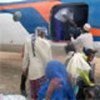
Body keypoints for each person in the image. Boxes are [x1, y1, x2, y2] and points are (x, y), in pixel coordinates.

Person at [20, 27, 52, 99]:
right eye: (44, 34)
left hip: (32, 71)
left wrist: (24, 68)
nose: (45, 36)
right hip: (42, 72)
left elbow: (26, 57)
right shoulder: (46, 43)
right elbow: (49, 59)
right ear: (41, 33)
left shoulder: (28, 41)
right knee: (41, 92)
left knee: (33, 92)